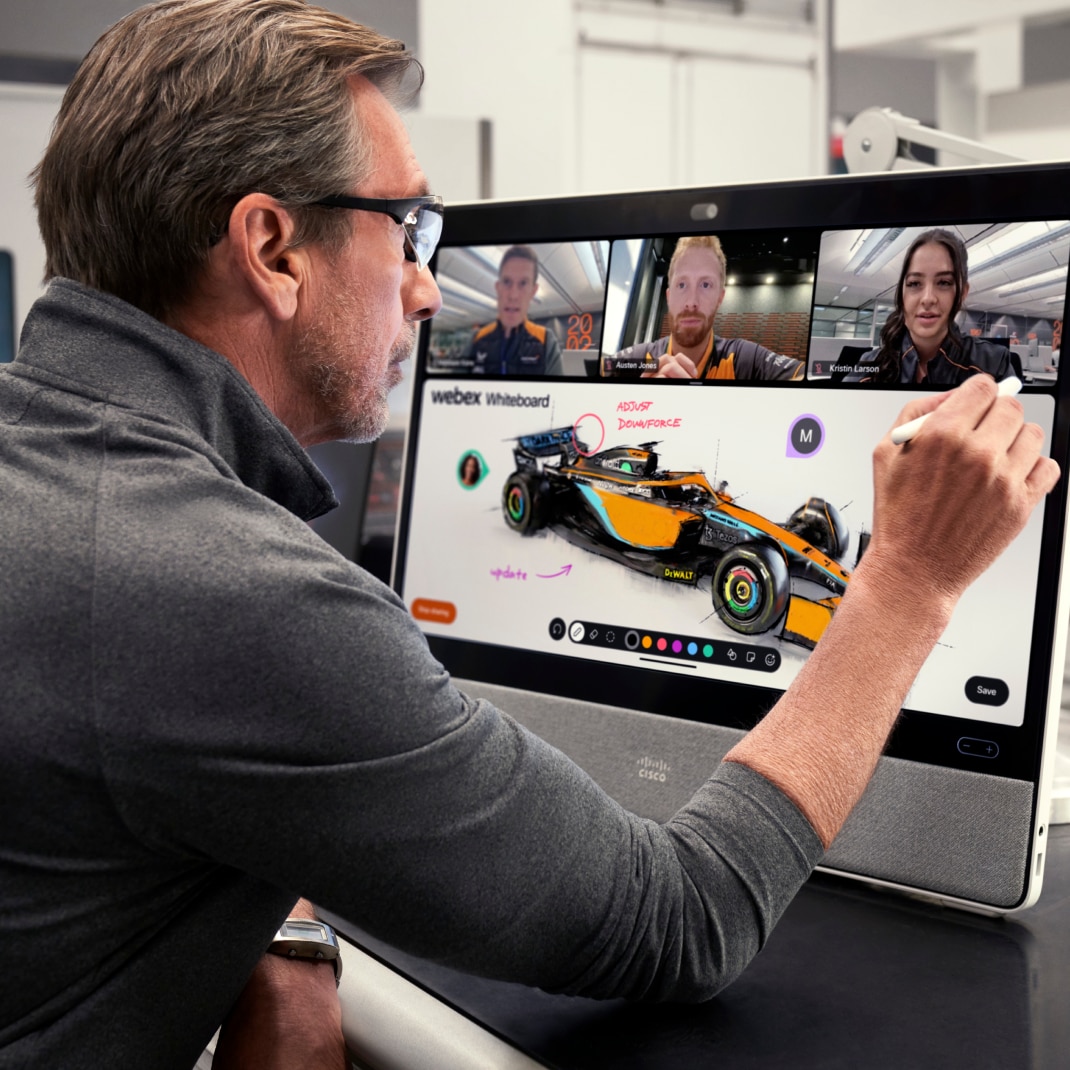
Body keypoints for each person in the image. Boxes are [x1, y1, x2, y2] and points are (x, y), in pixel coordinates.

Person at [0, 2, 1058, 1068]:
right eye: (406, 228)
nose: (423, 287)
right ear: (273, 247)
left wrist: (289, 921)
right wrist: (910, 582)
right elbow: (678, 920)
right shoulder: (230, 596)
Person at [609, 235, 803, 380]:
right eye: (682, 285)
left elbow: (810, 376)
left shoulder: (744, 360)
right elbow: (590, 369)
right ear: (669, 296)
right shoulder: (643, 359)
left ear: (720, 298)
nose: (691, 302)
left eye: (705, 285)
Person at [842, 228, 1013, 384]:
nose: (928, 298)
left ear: (962, 294)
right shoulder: (870, 366)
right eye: (915, 283)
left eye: (944, 283)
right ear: (902, 293)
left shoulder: (994, 365)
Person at [462, 244, 563, 375]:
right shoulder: (476, 340)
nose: (513, 295)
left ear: (533, 291)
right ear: (498, 287)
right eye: (507, 282)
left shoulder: (546, 342)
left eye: (523, 283)